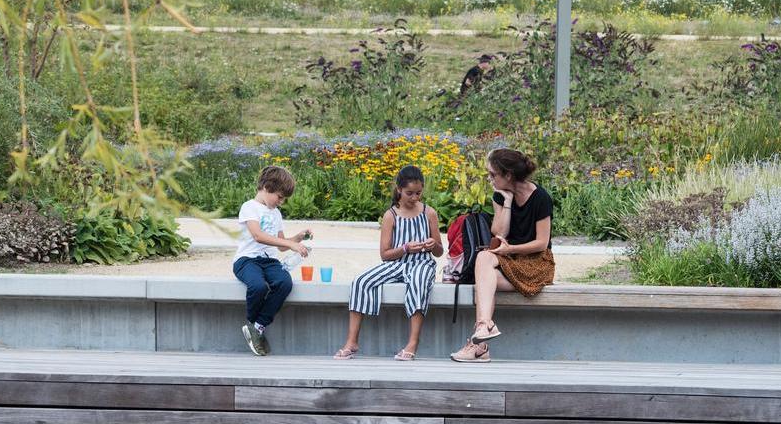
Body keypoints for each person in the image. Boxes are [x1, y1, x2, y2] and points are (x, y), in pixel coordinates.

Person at [451, 148, 554, 364]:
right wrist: (506, 202)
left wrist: (510, 250)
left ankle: (478, 345)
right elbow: (499, 234)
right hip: (511, 262)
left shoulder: (541, 198)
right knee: (484, 260)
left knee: (484, 278)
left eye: (492, 174)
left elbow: (542, 243)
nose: (489, 179)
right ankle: (485, 326)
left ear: (508, 175)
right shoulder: (500, 196)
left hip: (536, 264)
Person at [334, 166, 442, 361]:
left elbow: (439, 252)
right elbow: (385, 255)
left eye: (418, 193)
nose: (415, 198)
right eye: (410, 193)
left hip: (423, 263)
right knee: (361, 281)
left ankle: (412, 343)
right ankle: (352, 341)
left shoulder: (429, 213)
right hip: (396, 263)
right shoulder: (390, 215)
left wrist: (433, 244)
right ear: (399, 189)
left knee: (417, 282)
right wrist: (405, 248)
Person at [234, 165, 311, 357]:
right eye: (280, 196)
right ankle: (252, 325)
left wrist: (298, 238)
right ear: (267, 187)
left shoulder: (276, 213)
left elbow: (282, 246)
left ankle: (258, 326)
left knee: (284, 283)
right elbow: (258, 236)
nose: (281, 202)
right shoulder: (249, 207)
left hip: (269, 261)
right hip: (247, 260)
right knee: (258, 286)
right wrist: (290, 244)